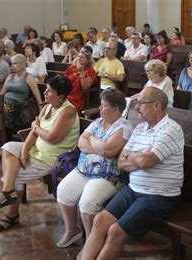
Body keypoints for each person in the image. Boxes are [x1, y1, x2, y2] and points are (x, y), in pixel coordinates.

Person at [80, 87, 184, 259]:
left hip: (159, 195)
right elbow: (121, 162)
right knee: (100, 220)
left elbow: (146, 161)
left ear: (156, 105)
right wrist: (138, 158)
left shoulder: (171, 129)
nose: (136, 107)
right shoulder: (140, 128)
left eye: (141, 103)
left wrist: (135, 157)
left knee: (115, 231)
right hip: (133, 188)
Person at [0, 76, 79, 232]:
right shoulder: (47, 107)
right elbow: (34, 132)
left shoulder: (68, 111)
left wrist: (36, 127)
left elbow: (52, 137)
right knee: (7, 147)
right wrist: (24, 150)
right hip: (36, 150)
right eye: (46, 89)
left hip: (52, 158)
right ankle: (8, 191)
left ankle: (11, 215)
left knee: (16, 173)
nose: (45, 92)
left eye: (49, 91)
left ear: (61, 96)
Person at [56, 88, 132, 248]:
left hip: (108, 176)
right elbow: (81, 143)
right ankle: (72, 230)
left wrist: (92, 140)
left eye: (103, 105)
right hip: (84, 170)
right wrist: (97, 144)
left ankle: (92, 245)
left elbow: (109, 150)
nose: (99, 108)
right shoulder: (97, 122)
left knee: (87, 203)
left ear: (116, 109)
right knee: (63, 191)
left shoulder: (124, 127)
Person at [0, 54, 43, 136]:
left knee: (4, 113)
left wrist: (40, 117)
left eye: (15, 63)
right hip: (6, 106)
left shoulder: (29, 78)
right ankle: (3, 138)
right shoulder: (10, 77)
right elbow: (1, 94)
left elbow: (38, 99)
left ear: (22, 64)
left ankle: (6, 136)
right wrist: (1, 104)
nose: (12, 66)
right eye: (12, 64)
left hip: (20, 109)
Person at [65, 49, 98, 114]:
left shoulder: (91, 71)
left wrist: (81, 72)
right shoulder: (73, 67)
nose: (79, 58)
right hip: (66, 93)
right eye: (78, 56)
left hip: (77, 97)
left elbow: (85, 88)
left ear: (87, 61)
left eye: (82, 57)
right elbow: (65, 79)